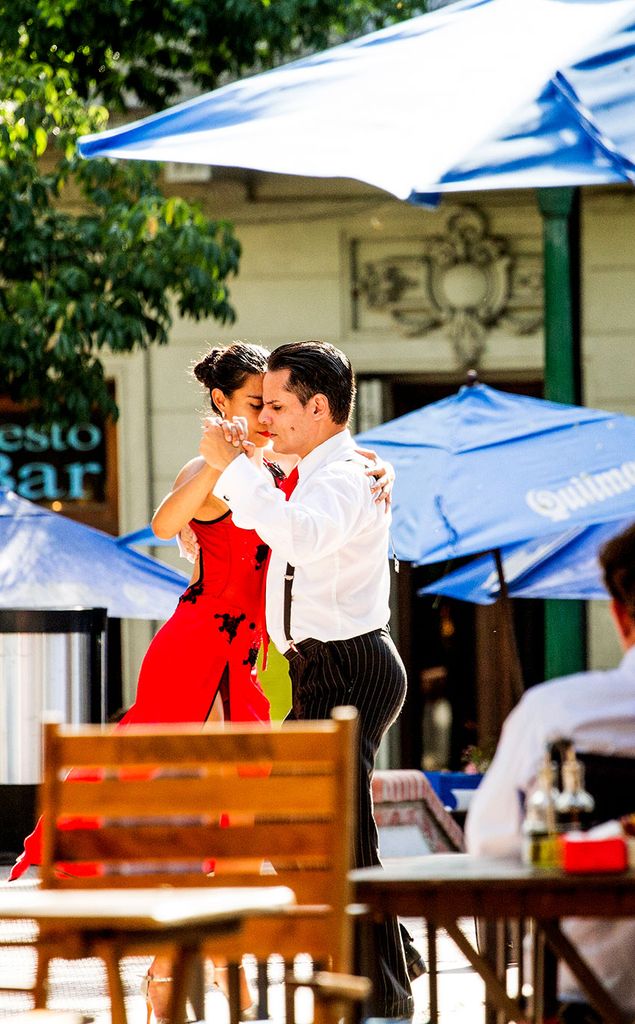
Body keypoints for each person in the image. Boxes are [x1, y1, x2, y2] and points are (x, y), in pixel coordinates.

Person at [9, 340, 395, 1022]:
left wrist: (375, 466)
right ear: (222, 404)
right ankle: (197, 966)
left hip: (254, 656)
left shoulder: (278, 468)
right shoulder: (225, 468)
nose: (268, 419)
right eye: (256, 405)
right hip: (204, 647)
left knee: (239, 813)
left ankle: (219, 964)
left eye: (275, 406)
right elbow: (165, 523)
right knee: (197, 802)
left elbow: (325, 482)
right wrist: (210, 481)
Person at [199, 339, 415, 1021]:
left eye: (280, 406)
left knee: (340, 844)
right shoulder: (326, 465)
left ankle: (383, 1001)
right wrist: (244, 454)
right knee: (293, 828)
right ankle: (393, 947)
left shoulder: (346, 473)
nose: (269, 418)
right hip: (323, 670)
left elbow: (299, 536)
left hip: (348, 665)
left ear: (318, 408)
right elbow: (279, 474)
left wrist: (235, 470)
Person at [465, 520, 635, 1024]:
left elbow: (492, 846)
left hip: (594, 997)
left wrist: (601, 844)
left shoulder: (554, 714)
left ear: (619, 616)